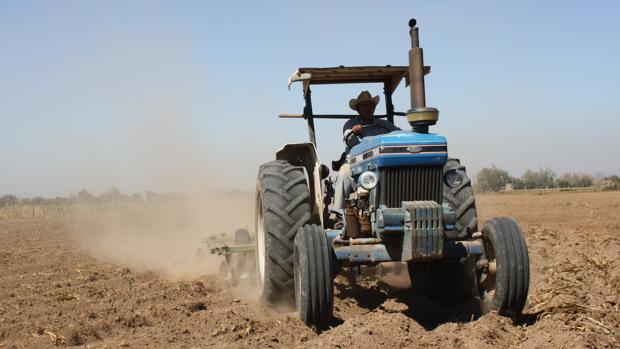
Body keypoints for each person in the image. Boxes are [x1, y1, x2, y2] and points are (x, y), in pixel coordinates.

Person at [334, 91, 400, 209]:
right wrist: (354, 132)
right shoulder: (351, 124)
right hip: (356, 163)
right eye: (363, 105)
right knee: (343, 175)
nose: (367, 108)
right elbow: (348, 140)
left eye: (370, 105)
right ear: (357, 109)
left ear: (374, 108)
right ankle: (338, 214)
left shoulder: (384, 125)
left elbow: (399, 134)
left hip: (381, 163)